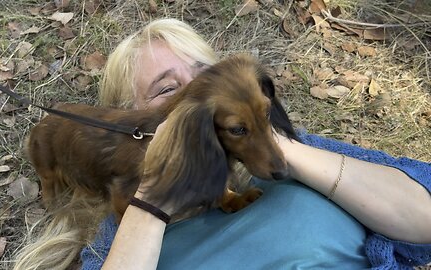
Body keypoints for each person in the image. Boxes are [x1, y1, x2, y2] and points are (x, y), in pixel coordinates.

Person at [77, 18, 431, 269]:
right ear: (129, 122)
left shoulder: (302, 151)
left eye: (207, 73)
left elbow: (423, 220)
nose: (200, 92)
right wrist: (156, 189)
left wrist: (278, 145)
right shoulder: (122, 229)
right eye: (166, 88)